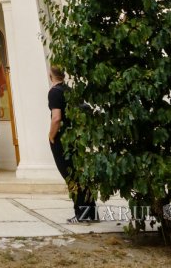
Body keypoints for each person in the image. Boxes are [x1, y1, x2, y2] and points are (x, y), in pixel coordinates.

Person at [48, 64, 98, 223]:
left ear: (51, 76)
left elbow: (56, 118)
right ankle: (91, 213)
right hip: (76, 139)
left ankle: (81, 215)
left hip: (62, 140)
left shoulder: (54, 92)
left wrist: (51, 135)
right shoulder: (69, 90)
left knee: (71, 177)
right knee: (80, 175)